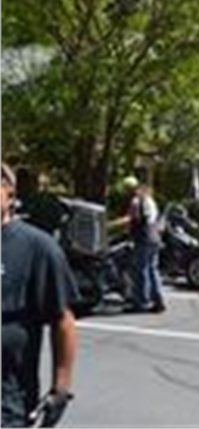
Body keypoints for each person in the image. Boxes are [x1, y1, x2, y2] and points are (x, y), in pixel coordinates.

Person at [2, 162, 78, 427]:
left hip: (8, 404)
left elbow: (62, 321)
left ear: (10, 195)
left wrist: (61, 388)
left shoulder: (38, 248)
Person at [114, 176, 166, 313]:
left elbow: (131, 218)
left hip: (143, 238)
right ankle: (158, 300)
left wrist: (111, 225)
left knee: (140, 270)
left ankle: (140, 302)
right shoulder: (149, 200)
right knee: (152, 269)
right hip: (155, 238)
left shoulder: (136, 201)